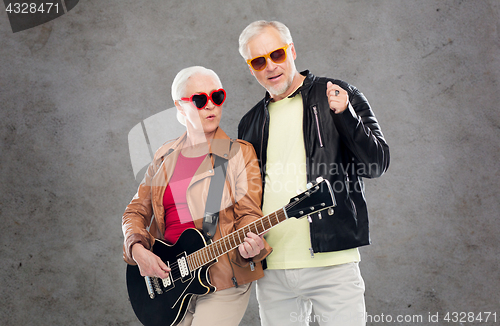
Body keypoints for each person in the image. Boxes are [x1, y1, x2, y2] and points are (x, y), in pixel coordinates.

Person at [237, 21, 390, 326]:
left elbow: (377, 164)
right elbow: (247, 198)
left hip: (332, 263)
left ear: (291, 50)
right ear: (250, 68)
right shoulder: (249, 123)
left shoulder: (336, 93)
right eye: (258, 61)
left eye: (277, 54)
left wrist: (347, 116)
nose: (270, 66)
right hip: (273, 270)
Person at [122, 66, 271, 326]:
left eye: (217, 97)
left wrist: (252, 243)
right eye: (200, 100)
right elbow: (135, 211)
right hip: (168, 283)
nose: (211, 106)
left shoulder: (238, 153)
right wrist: (136, 248)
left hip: (222, 278)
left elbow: (249, 214)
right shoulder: (164, 155)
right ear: (180, 107)